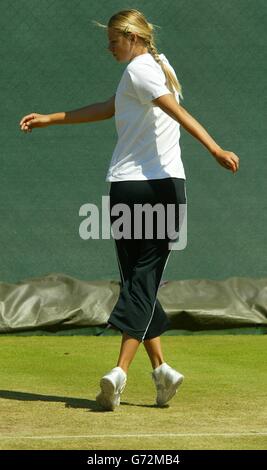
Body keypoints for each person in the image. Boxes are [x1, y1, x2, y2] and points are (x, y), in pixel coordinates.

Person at [19, 9, 239, 411]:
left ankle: (118, 372)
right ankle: (162, 372)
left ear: (132, 36)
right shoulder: (151, 68)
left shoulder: (144, 70)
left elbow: (178, 113)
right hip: (140, 187)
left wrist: (214, 148)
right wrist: (51, 118)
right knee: (141, 281)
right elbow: (110, 108)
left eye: (113, 40)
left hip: (149, 188)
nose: (108, 48)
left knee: (140, 280)